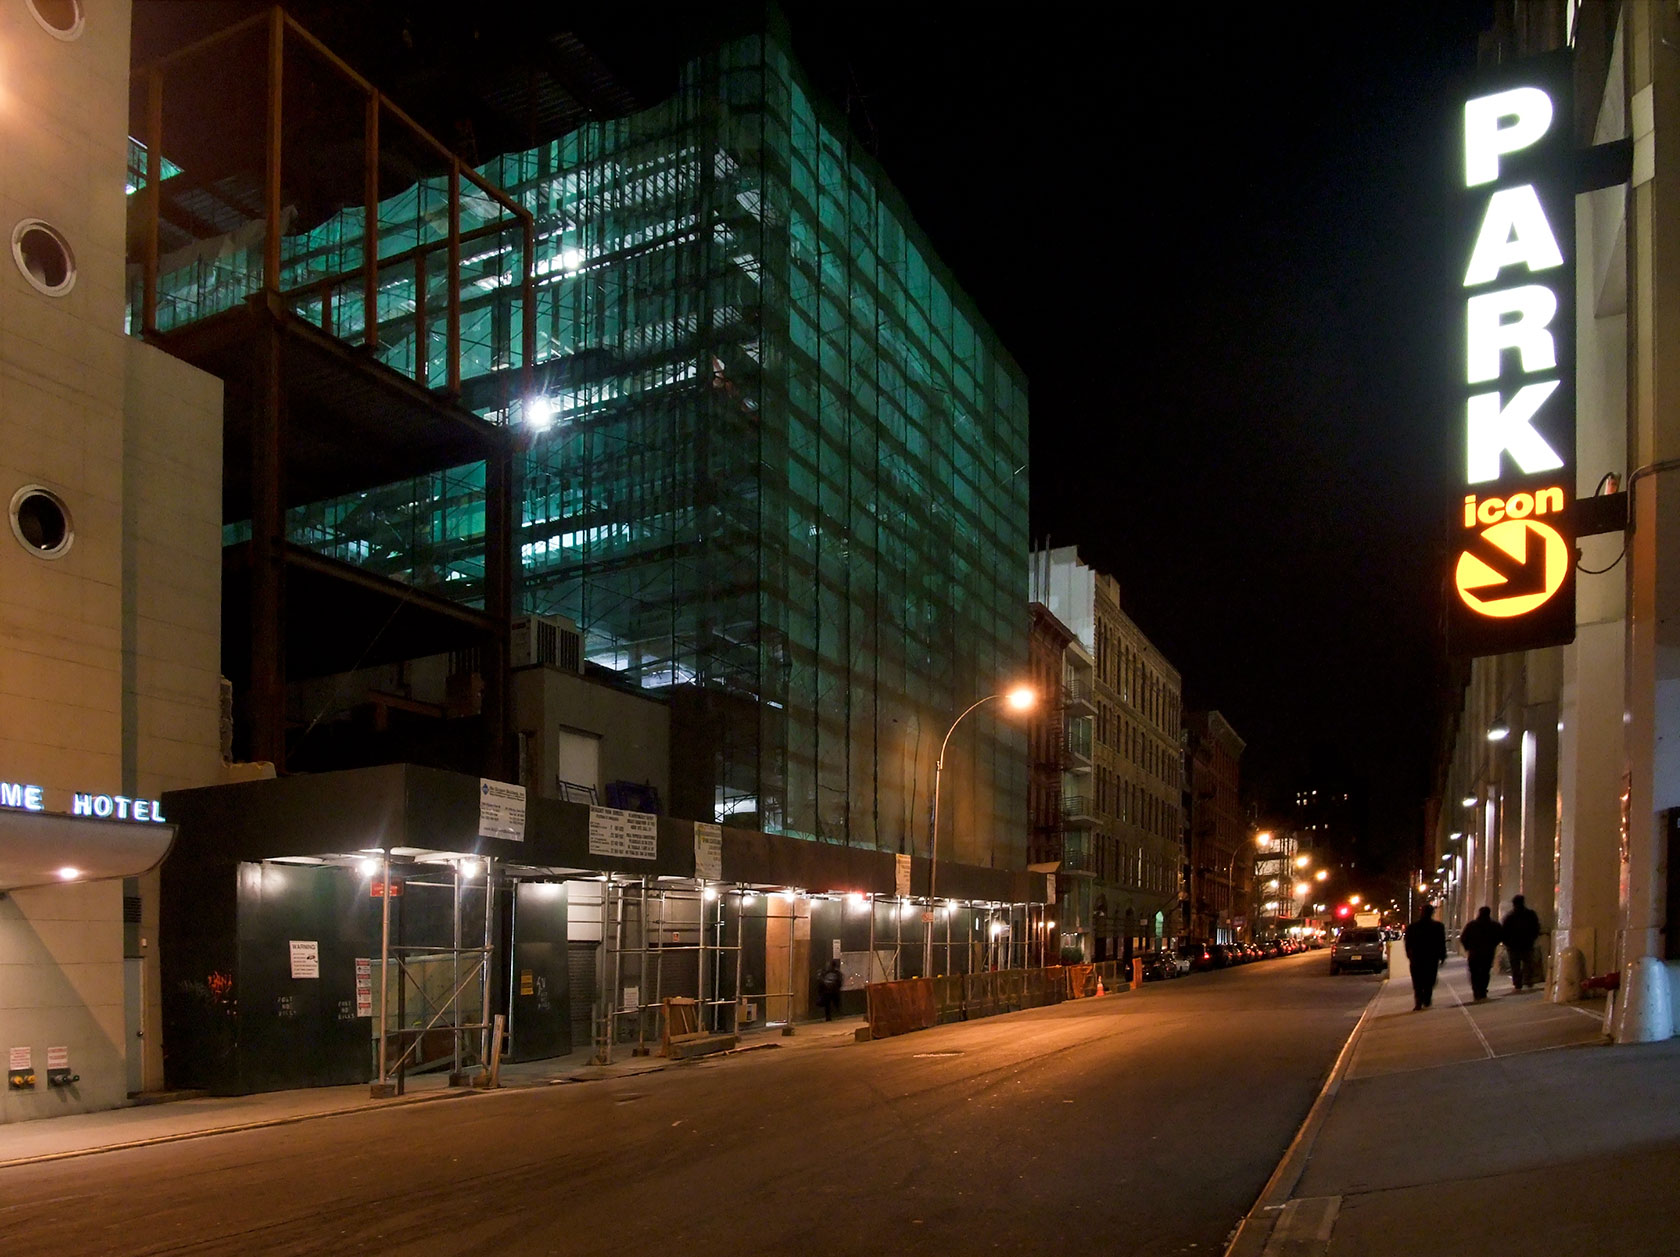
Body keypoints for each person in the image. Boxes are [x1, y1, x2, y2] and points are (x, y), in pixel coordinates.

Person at [1404, 902, 1448, 1010]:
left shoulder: (1412, 927)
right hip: (1431, 958)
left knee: (1417, 980)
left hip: (1417, 958)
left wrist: (1409, 955)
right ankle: (1426, 998)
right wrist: (1442, 956)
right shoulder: (1438, 927)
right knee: (1429, 979)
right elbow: (1441, 942)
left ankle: (1419, 1001)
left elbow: (1407, 943)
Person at [1459, 905, 1502, 1000]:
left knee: (1474, 972)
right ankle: (1482, 989)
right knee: (1485, 971)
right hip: (1488, 953)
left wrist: (1468, 947)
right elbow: (1500, 936)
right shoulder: (1494, 925)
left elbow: (1463, 938)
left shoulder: (1471, 925)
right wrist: (1493, 944)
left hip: (1474, 953)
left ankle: (1476, 989)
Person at [1501, 894, 1542, 991]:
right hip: (1527, 944)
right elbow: (1536, 928)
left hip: (1513, 946)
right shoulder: (1530, 914)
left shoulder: (1509, 917)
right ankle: (1528, 980)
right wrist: (1532, 938)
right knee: (1527, 963)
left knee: (1515, 965)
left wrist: (1507, 943)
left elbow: (1504, 932)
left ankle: (1517, 983)